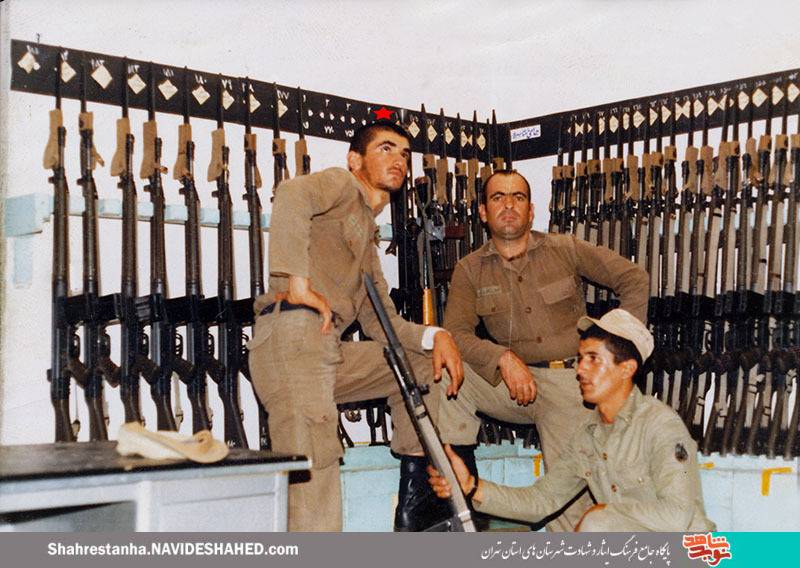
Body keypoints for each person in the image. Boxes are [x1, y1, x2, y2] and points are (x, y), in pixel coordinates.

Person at [247, 121, 464, 532]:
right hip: (294, 339)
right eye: (386, 148)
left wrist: (438, 336)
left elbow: (386, 325)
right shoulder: (343, 185)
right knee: (315, 477)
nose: (398, 159)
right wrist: (297, 282)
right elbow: (291, 193)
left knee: (417, 365)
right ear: (355, 159)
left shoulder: (366, 235)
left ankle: (417, 498)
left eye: (404, 153)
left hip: (325, 351)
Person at [438, 169, 649, 531]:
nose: (508, 205)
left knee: (569, 505)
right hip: (511, 385)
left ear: (531, 210)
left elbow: (634, 279)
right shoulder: (470, 269)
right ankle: (458, 495)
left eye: (518, 197)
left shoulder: (564, 248)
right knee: (442, 370)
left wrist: (614, 352)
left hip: (571, 386)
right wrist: (501, 358)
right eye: (498, 197)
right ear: (484, 212)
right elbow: (455, 333)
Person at [430, 309, 716, 532]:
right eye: (580, 359)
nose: (580, 370)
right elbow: (542, 501)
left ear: (626, 369)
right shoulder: (588, 436)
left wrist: (601, 515)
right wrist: (471, 486)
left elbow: (677, 517)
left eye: (593, 359)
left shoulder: (661, 426)